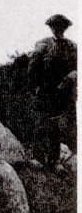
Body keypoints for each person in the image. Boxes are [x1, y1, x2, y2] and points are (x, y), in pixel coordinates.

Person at [26, 14, 77, 169]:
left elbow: (76, 68)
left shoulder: (72, 47)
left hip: (61, 92)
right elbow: (32, 68)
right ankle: (38, 158)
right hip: (43, 90)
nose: (58, 30)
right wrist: (36, 86)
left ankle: (54, 161)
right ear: (51, 28)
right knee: (40, 123)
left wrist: (70, 78)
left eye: (61, 27)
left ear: (65, 28)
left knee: (55, 126)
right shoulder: (43, 44)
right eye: (55, 27)